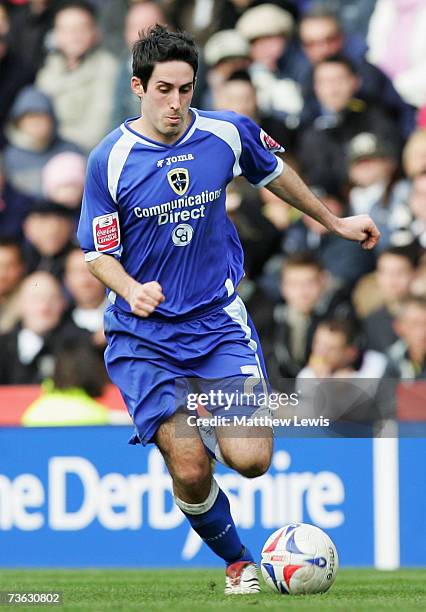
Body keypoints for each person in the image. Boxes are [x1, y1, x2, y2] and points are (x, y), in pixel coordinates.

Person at [77, 25, 379, 595]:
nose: (175, 102)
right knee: (189, 467)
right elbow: (97, 252)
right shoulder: (110, 160)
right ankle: (239, 561)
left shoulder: (225, 132)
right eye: (163, 89)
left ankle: (202, 425)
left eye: (186, 89)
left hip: (216, 322)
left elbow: (275, 174)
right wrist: (131, 287)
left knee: (252, 459)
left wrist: (334, 223)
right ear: (138, 86)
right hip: (143, 333)